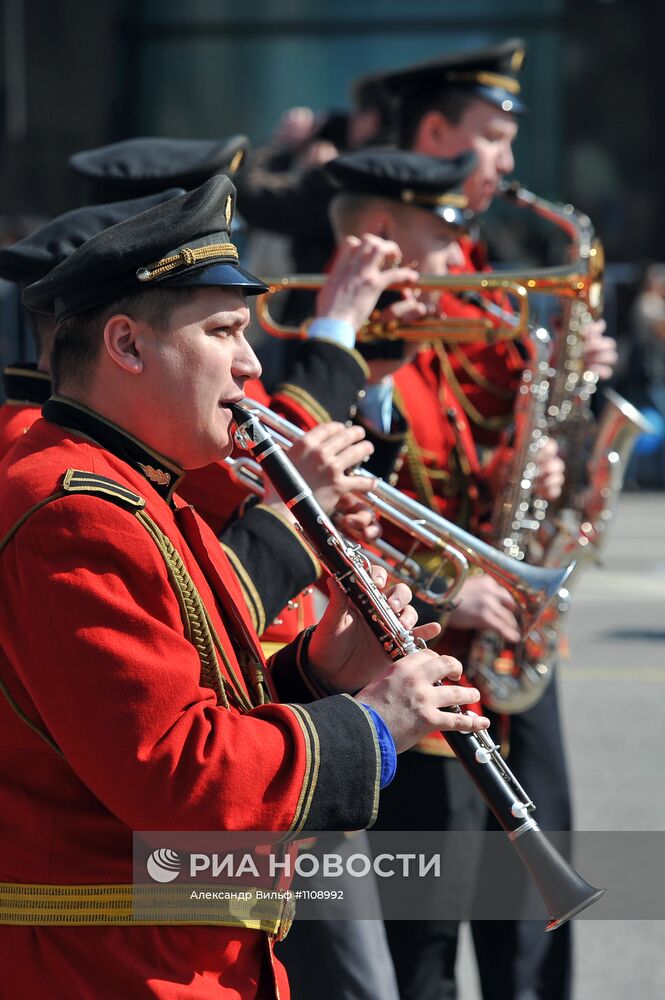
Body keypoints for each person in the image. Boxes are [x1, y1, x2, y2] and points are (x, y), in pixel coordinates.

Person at [0, 174, 490, 999]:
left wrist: (322, 670)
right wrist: (371, 726)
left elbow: (191, 695)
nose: (252, 363)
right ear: (126, 345)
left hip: (166, 951)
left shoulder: (141, 485)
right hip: (110, 968)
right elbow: (176, 776)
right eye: (226, 330)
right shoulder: (75, 511)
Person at [378, 38, 618, 1000]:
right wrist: (447, 585)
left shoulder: (479, 265)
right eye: (490, 139)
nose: (507, 164)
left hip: (511, 628)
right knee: (427, 914)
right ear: (435, 136)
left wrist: (565, 421)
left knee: (532, 890)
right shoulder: (418, 283)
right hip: (435, 630)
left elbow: (505, 438)